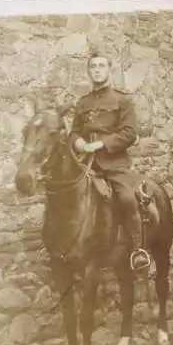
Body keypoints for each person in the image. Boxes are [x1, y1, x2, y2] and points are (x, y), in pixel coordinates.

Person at [69, 51, 150, 271]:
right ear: (89, 71)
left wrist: (101, 143)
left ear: (109, 70)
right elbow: (74, 132)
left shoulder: (122, 100)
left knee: (127, 199)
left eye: (101, 66)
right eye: (93, 66)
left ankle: (138, 252)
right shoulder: (82, 102)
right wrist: (81, 145)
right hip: (86, 165)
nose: (97, 69)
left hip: (115, 166)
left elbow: (129, 133)